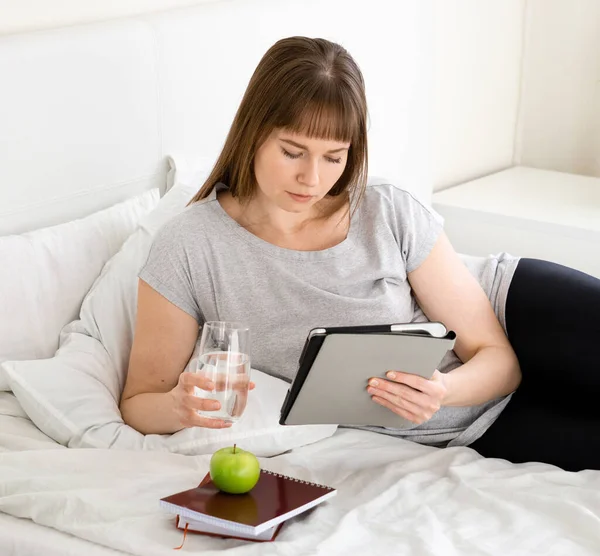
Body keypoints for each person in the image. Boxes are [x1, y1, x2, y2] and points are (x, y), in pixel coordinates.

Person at [120, 36, 600, 472]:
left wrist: (442, 391)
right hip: (478, 427)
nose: (313, 178)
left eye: (335, 157)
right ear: (252, 133)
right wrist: (179, 407)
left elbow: (499, 359)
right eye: (293, 151)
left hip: (515, 310)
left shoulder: (385, 209)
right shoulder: (190, 245)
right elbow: (139, 401)